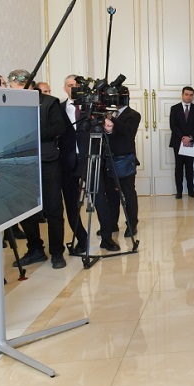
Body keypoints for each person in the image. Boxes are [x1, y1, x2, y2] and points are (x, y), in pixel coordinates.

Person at [8, 69, 69, 269]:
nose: (14, 91)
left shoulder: (49, 103)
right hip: (22, 164)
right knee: (26, 210)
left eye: (17, 88)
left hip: (48, 162)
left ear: (28, 84)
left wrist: (32, 135)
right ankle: (35, 249)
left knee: (53, 209)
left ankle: (57, 252)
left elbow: (59, 128)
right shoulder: (10, 102)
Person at [98, 101, 142, 247]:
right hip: (107, 159)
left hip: (125, 160)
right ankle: (112, 224)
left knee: (128, 193)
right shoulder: (103, 113)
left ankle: (131, 224)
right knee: (110, 194)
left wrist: (112, 119)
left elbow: (128, 133)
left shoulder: (133, 115)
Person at [59, 75, 90, 253]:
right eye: (70, 86)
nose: (74, 89)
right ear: (65, 88)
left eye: (77, 85)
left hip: (89, 159)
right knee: (71, 204)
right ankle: (82, 238)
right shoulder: (58, 109)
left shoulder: (90, 108)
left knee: (100, 198)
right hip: (67, 162)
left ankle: (107, 236)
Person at [169, 86, 194, 199]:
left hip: (191, 142)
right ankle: (179, 191)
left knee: (189, 167)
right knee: (178, 167)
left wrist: (189, 137)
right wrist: (183, 137)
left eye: (191, 95)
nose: (189, 97)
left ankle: (191, 190)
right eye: (186, 94)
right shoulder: (174, 108)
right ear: (182, 95)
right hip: (178, 142)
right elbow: (173, 126)